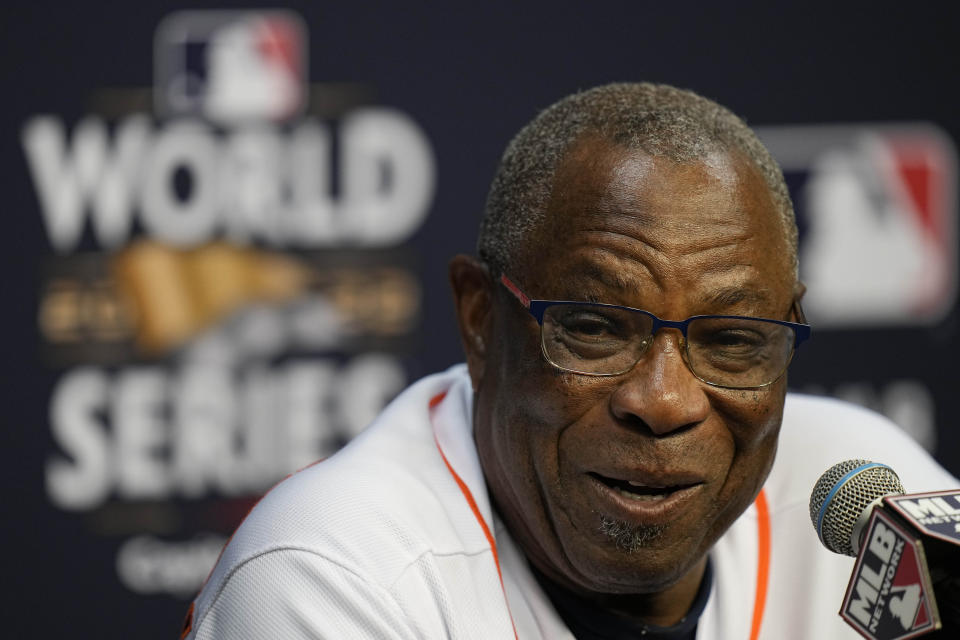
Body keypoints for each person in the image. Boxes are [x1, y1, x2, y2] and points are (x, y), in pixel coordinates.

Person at [181, 83, 957, 639]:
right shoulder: (329, 574)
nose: (663, 401)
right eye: (596, 328)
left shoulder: (872, 506)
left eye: (730, 340)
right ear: (481, 319)